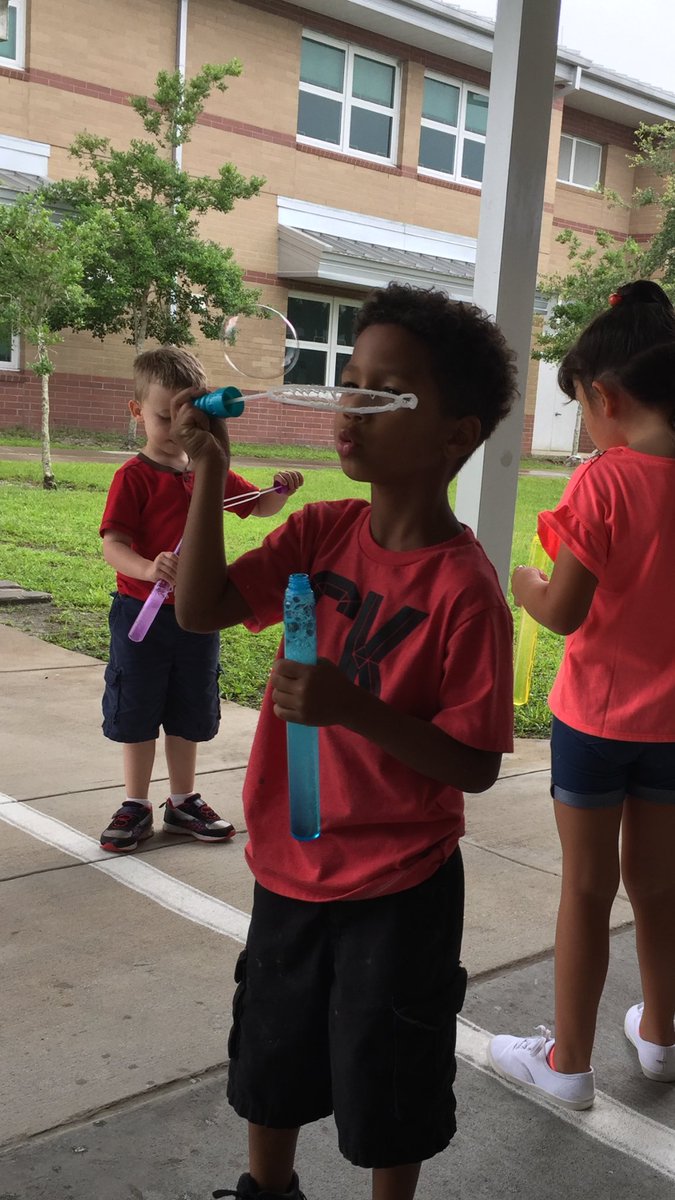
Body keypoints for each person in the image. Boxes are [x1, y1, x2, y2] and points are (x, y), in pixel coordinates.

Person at [170, 283, 517, 1200]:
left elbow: (474, 764)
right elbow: (201, 606)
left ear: (454, 435)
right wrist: (211, 477)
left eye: (382, 391)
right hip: (289, 861)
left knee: (389, 1071)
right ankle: (266, 1188)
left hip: (399, 886)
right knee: (272, 1051)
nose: (347, 408)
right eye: (347, 382)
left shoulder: (466, 592)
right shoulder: (322, 532)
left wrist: (352, 708)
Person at [489, 281, 675, 1111]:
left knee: (586, 888)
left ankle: (566, 1064)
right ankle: (662, 1037)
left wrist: (524, 581)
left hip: (596, 721)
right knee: (660, 885)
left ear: (604, 397)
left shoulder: (601, 483)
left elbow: (562, 611)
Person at [99, 346, 302, 853]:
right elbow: (112, 545)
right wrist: (148, 568)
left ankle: (182, 800)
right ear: (136, 411)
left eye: (185, 416)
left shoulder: (207, 470)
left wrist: (280, 492)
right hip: (140, 617)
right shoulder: (134, 476)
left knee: (189, 707)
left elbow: (256, 507)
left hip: (197, 618)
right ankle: (136, 803)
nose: (172, 427)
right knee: (139, 708)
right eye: (162, 416)